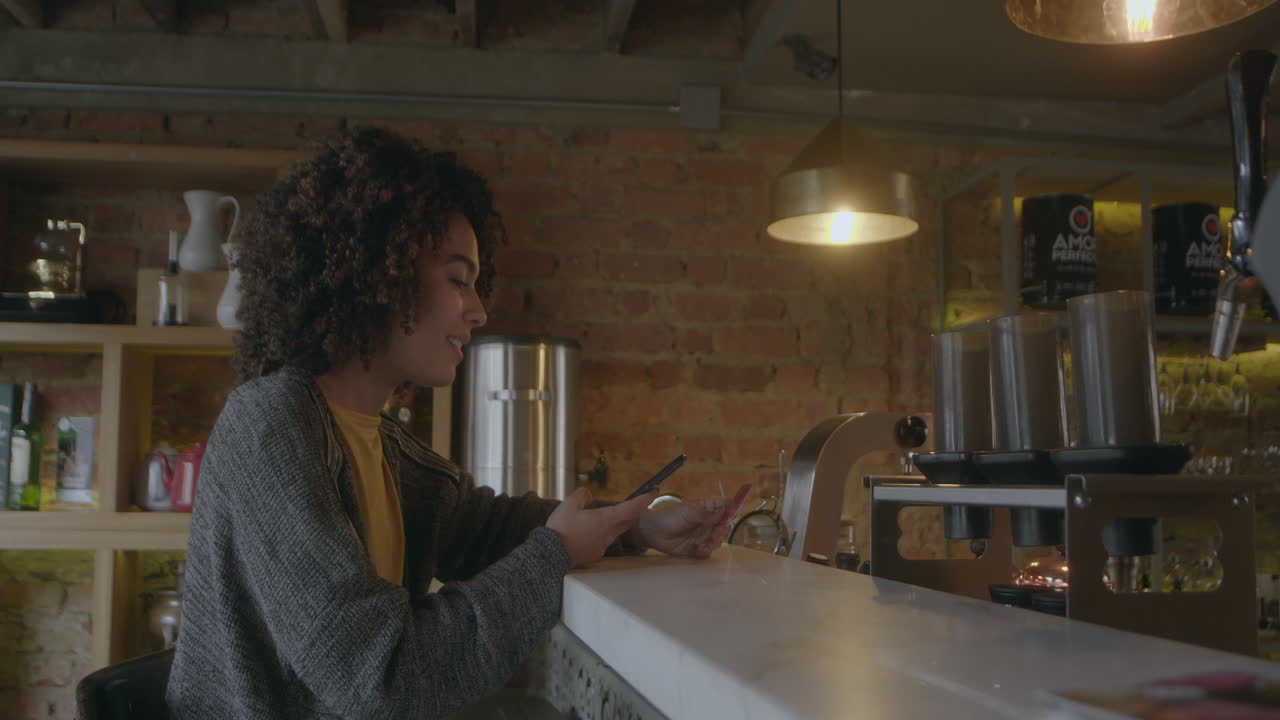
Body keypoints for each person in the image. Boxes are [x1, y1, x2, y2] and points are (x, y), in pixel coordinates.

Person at [165, 126, 732, 720]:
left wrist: (637, 527)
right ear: (375, 272)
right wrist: (556, 551)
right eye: (458, 279)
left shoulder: (381, 446)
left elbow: (492, 528)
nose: (479, 310)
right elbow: (385, 680)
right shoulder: (271, 425)